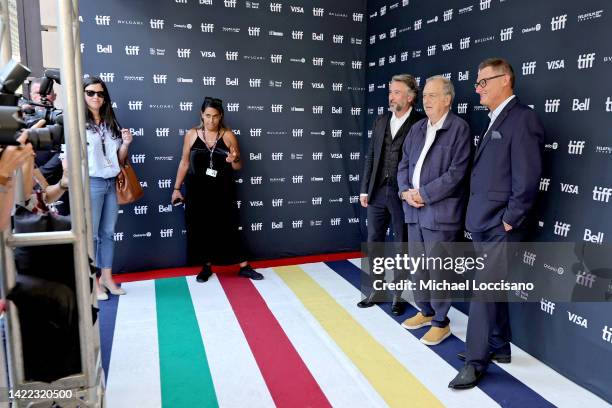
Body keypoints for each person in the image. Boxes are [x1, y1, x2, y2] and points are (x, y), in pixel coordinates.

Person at [449, 58, 543, 389]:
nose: (478, 87)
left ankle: (475, 361)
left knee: (483, 292)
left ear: (505, 80)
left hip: (500, 227)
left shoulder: (523, 119)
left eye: (483, 81)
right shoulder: (494, 119)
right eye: (477, 81)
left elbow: (528, 178)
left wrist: (510, 220)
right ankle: (500, 346)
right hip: (484, 223)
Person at [397, 76, 471, 345]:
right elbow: (403, 164)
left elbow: (456, 174)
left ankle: (441, 321)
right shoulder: (417, 129)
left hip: (440, 214)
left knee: (440, 270)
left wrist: (423, 194)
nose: (425, 100)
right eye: (424, 95)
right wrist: (405, 191)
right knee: (418, 267)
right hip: (413, 210)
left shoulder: (459, 129)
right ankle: (426, 311)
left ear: (447, 99)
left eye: (432, 95)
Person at [172, 97, 262, 282]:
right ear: (201, 115)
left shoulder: (228, 135)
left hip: (222, 190)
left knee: (229, 226)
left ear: (220, 116)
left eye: (215, 116)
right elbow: (184, 162)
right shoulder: (191, 134)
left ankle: (244, 266)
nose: (211, 120)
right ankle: (206, 267)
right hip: (197, 190)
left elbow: (238, 166)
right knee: (201, 229)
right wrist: (176, 188)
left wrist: (234, 159)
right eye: (207, 116)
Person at [358, 74, 425, 315]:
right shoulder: (380, 121)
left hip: (402, 194)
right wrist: (365, 188)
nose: (391, 96)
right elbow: (371, 157)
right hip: (377, 191)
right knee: (374, 241)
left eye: (396, 92)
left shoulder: (421, 123)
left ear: (410, 96)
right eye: (390, 92)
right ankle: (376, 289)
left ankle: (398, 294)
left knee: (402, 244)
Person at [83, 76, 133, 301]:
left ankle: (107, 278)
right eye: (91, 92)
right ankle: (93, 285)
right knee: (92, 236)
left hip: (111, 183)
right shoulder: (77, 124)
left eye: (100, 93)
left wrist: (126, 144)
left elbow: (119, 160)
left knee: (108, 234)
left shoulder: (110, 122)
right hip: (91, 183)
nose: (96, 97)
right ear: (82, 95)